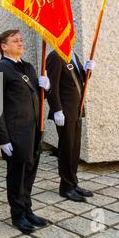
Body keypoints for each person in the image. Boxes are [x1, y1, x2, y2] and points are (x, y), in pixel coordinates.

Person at [0, 29, 50, 234]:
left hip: (33, 132)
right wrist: (2, 139)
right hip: (15, 134)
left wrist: (46, 89)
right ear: (4, 46)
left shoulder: (29, 67)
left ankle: (28, 210)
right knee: (16, 176)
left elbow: (37, 100)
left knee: (29, 174)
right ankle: (18, 215)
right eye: (15, 41)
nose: (20, 43)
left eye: (21, 40)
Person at [45, 49, 95, 202]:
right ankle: (65, 187)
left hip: (76, 110)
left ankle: (73, 183)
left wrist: (88, 71)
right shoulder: (55, 56)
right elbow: (51, 87)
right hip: (64, 112)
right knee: (67, 149)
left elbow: (80, 80)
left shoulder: (73, 54)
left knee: (74, 149)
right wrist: (57, 110)